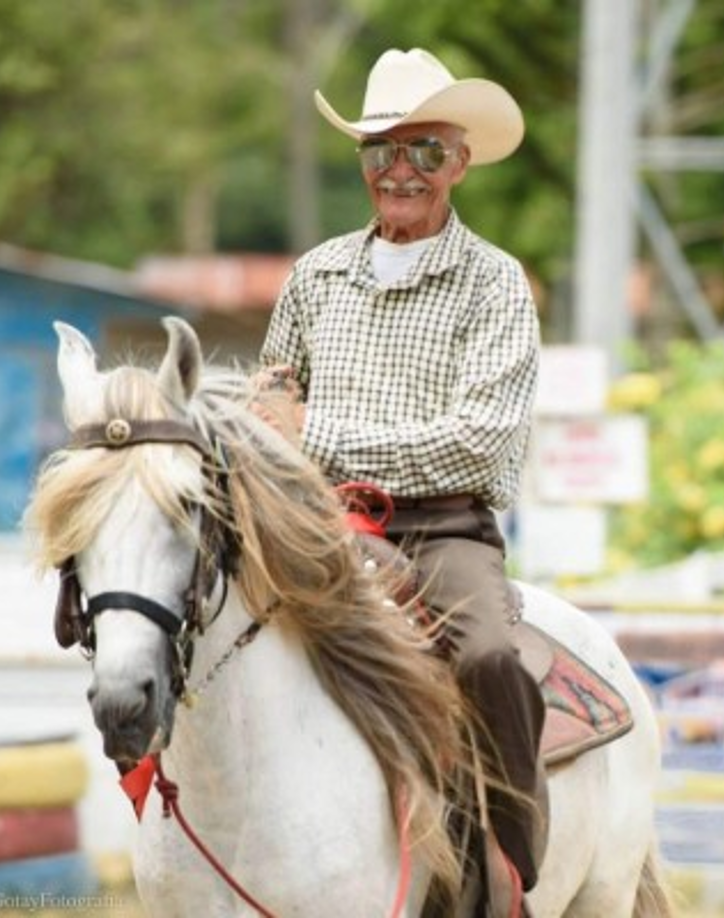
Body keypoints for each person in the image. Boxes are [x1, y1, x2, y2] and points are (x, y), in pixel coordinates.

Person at [255, 47, 545, 905]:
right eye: (382, 150)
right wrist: (276, 427)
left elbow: (476, 444)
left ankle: (516, 862)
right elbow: (273, 397)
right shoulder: (315, 275)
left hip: (445, 528)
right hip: (322, 524)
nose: (400, 170)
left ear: (459, 162)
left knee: (491, 657)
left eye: (423, 151)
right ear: (363, 164)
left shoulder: (496, 285)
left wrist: (319, 434)